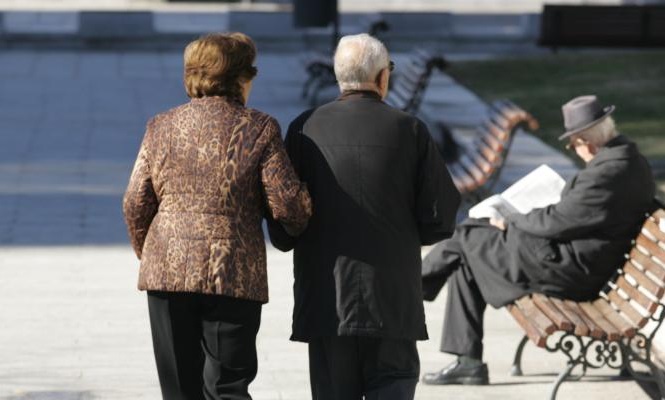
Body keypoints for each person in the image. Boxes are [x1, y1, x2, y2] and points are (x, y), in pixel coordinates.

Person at [267, 33, 461, 400]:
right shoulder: (410, 129)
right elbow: (440, 218)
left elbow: (283, 224)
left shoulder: (304, 128)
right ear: (383, 77)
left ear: (339, 76)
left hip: (327, 300)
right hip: (392, 300)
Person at [122, 33, 312, 400]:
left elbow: (135, 201)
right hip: (232, 272)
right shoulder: (258, 127)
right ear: (241, 78)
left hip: (167, 272)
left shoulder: (161, 126)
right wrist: (303, 215)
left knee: (179, 390)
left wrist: (153, 253)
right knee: (227, 388)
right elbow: (287, 203)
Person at [420, 95, 656, 385]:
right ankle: (467, 361)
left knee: (467, 235)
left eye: (572, 144)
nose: (574, 150)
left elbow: (558, 221)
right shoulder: (627, 161)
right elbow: (571, 216)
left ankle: (410, 287)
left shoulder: (609, 172)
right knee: (469, 246)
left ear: (585, 141)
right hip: (576, 259)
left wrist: (512, 220)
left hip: (571, 270)